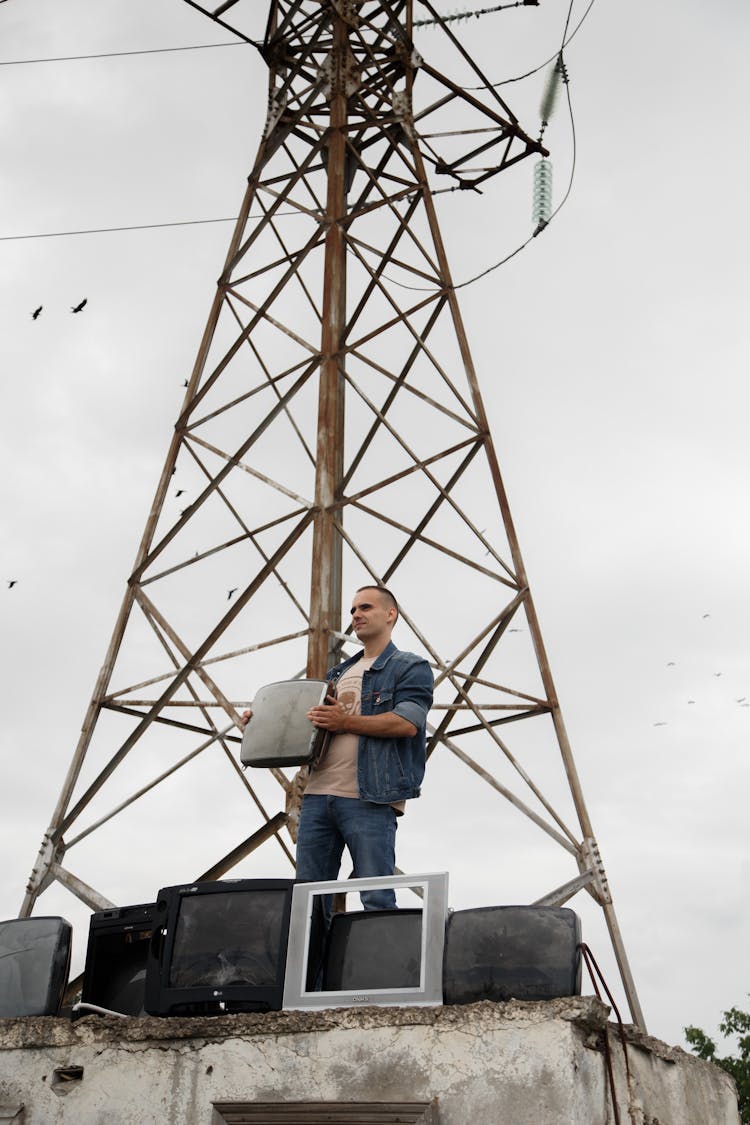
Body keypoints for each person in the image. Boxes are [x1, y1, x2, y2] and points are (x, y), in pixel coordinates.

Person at [297, 585, 433, 924]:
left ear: (391, 615)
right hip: (316, 797)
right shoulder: (336, 674)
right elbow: (310, 730)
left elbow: (406, 723)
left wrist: (346, 721)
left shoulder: (408, 666)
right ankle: (315, 980)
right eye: (353, 609)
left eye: (366, 607)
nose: (356, 614)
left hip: (369, 798)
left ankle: (378, 978)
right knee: (308, 907)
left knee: (376, 898)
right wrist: (260, 724)